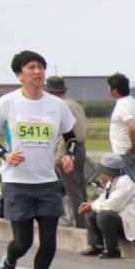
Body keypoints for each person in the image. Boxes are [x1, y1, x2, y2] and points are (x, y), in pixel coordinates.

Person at [0, 50, 80, 269]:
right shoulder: (7, 103)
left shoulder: (56, 105)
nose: (38, 72)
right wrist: (6, 155)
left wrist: (69, 155)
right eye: (31, 68)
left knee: (50, 241)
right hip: (17, 182)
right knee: (22, 242)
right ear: (19, 75)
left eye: (40, 67)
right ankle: (9, 262)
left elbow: (71, 137)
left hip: (48, 181)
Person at [79, 154, 135, 258]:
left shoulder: (125, 184)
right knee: (92, 212)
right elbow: (103, 198)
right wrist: (91, 205)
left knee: (104, 215)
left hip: (132, 223)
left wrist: (92, 205)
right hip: (122, 218)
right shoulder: (113, 182)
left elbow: (112, 205)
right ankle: (97, 245)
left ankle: (112, 249)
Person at [46, 76, 90, 227]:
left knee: (73, 191)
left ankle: (82, 225)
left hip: (69, 150)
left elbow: (64, 135)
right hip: (80, 148)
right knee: (80, 187)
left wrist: (60, 156)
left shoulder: (60, 106)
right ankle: (89, 223)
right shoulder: (74, 104)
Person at [102, 73, 135, 182]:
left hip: (125, 153)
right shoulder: (132, 101)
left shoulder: (123, 104)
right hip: (128, 152)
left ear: (114, 90)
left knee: (126, 187)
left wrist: (133, 147)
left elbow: (132, 127)